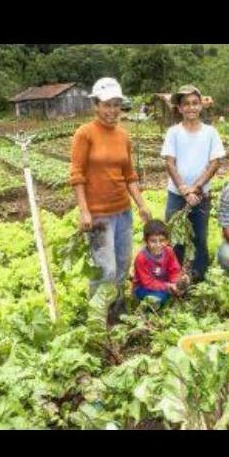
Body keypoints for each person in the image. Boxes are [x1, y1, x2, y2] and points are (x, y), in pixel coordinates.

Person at [70, 78, 152, 303]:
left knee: (123, 263)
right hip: (98, 215)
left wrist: (141, 204)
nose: (112, 110)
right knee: (105, 269)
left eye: (116, 104)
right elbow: (77, 175)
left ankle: (117, 308)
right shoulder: (85, 134)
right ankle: (98, 314)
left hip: (123, 212)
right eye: (107, 104)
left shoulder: (123, 136)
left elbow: (129, 176)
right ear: (96, 105)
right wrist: (84, 211)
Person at [161, 85, 226, 282]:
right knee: (174, 237)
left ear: (201, 106)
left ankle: (198, 277)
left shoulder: (210, 132)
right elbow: (170, 163)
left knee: (199, 236)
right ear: (179, 108)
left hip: (201, 195)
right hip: (176, 194)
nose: (191, 108)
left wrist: (195, 188)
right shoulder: (173, 132)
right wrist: (183, 189)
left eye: (195, 103)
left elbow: (214, 163)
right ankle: (176, 276)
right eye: (186, 104)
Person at [133, 220, 188, 305]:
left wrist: (175, 283)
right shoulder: (141, 258)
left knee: (183, 286)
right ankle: (144, 303)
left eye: (162, 240)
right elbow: (148, 283)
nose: (158, 245)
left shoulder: (169, 251)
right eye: (153, 241)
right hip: (143, 287)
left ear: (167, 240)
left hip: (163, 283)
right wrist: (168, 286)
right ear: (146, 241)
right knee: (159, 298)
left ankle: (171, 293)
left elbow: (174, 270)